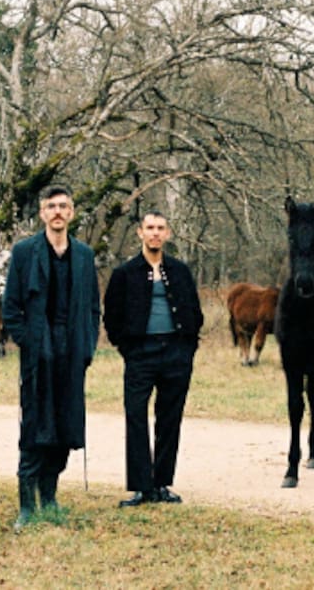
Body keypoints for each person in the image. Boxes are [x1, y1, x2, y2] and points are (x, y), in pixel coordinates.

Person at [2, 186, 101, 531]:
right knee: (34, 428)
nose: (57, 212)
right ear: (42, 213)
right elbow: (11, 308)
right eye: (51, 206)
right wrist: (29, 343)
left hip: (72, 352)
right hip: (38, 353)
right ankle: (27, 505)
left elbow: (93, 307)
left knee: (65, 425)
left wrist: (87, 347)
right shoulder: (25, 252)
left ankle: (51, 496)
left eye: (64, 206)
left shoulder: (85, 255)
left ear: (72, 213)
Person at [103, 211, 204, 507]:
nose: (155, 233)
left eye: (160, 228)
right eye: (150, 228)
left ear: (168, 233)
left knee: (169, 418)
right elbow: (112, 316)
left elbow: (194, 312)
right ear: (140, 233)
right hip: (140, 354)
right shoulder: (125, 273)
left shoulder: (180, 271)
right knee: (135, 417)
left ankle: (161, 483)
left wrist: (187, 348)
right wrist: (128, 348)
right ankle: (141, 486)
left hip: (176, 352)